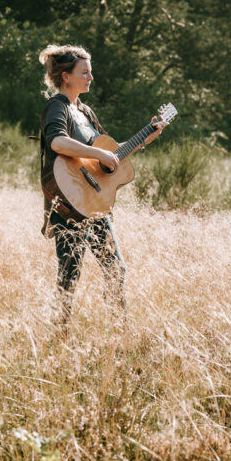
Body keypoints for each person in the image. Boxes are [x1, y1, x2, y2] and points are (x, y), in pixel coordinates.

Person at [37, 44, 163, 326]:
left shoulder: (86, 111)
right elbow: (56, 141)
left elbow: (112, 154)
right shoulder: (57, 107)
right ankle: (60, 336)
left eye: (90, 73)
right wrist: (99, 154)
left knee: (116, 269)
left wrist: (145, 138)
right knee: (69, 274)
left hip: (95, 206)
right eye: (85, 72)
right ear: (66, 76)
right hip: (69, 204)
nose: (91, 78)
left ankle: (119, 330)